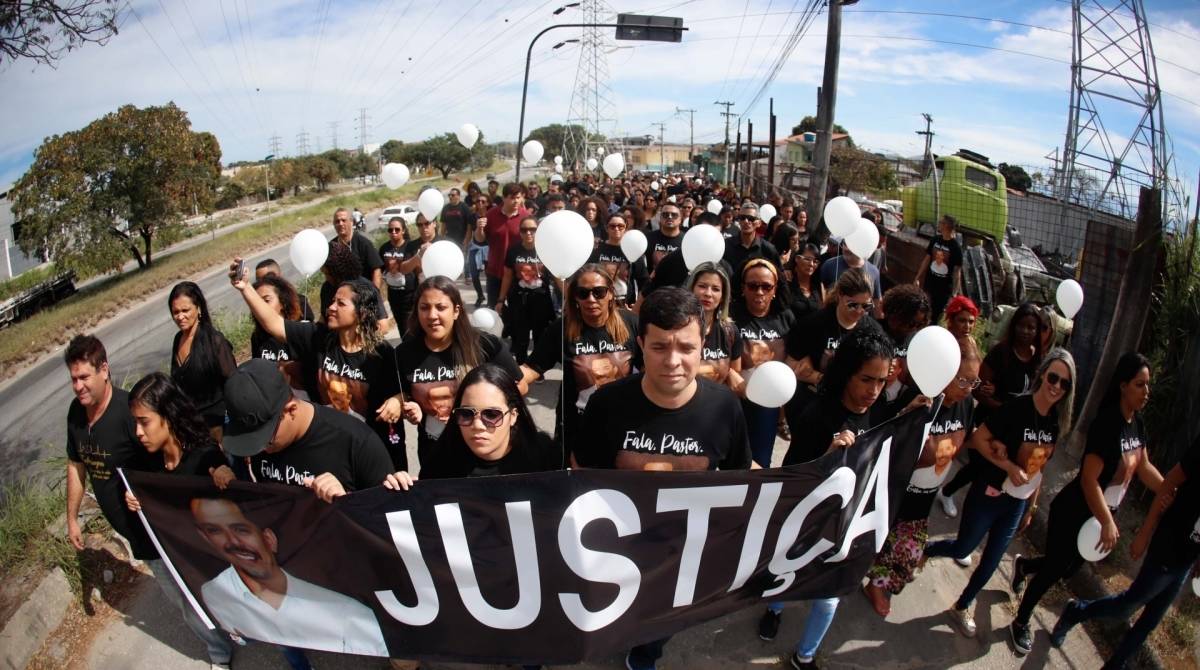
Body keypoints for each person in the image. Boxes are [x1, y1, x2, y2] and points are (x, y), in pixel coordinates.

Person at [575, 287, 752, 670]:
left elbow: (743, 477)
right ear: (640, 343)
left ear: (703, 344)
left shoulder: (725, 408)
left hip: (683, 557)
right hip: (615, 549)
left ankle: (646, 653)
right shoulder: (606, 405)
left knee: (659, 625)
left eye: (686, 348)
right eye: (659, 348)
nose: (673, 361)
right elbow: (582, 473)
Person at [760, 326, 897, 669]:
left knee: (828, 602)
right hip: (805, 523)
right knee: (786, 575)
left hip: (844, 528)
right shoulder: (816, 414)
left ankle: (805, 656)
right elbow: (795, 476)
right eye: (867, 379)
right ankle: (774, 610)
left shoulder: (878, 412)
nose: (874, 391)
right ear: (847, 371)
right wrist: (828, 455)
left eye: (882, 381)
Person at [1010, 353, 1164, 655]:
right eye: (1140, 384)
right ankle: (1021, 620)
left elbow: (1143, 465)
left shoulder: (1137, 424)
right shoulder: (1107, 424)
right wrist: (1107, 521)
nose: (1146, 392)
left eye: (1148, 385)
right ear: (1123, 386)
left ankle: (1026, 565)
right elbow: (1089, 480)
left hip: (1100, 518)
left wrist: (1168, 490)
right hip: (1076, 511)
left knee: (1067, 569)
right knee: (1054, 570)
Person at [925, 349, 1077, 639]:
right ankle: (926, 552)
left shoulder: (1055, 423)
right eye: (1054, 377)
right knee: (963, 548)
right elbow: (979, 439)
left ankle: (962, 605)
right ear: (1043, 374)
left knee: (992, 562)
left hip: (1016, 503)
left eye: (1065, 383)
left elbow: (1039, 468)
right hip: (989, 493)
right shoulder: (1017, 408)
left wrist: (1031, 507)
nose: (1056, 386)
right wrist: (1008, 465)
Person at [1049, 430, 1200, 669]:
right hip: (1169, 545)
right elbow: (1169, 483)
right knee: (1126, 606)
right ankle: (1075, 611)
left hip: (1186, 559)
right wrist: (1145, 531)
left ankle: (1115, 665)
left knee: (1149, 622)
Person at [234, 264, 406, 469]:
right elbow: (274, 324)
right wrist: (245, 288)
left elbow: (405, 390)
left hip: (370, 448)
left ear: (361, 313)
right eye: (333, 301)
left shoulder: (382, 354)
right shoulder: (318, 337)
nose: (331, 307)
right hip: (329, 447)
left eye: (340, 303)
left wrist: (398, 400)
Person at [120, 372, 238, 668]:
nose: (138, 432)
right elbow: (136, 494)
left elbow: (232, 499)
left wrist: (226, 476)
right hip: (168, 555)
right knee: (187, 606)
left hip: (207, 557)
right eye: (135, 422)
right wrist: (132, 499)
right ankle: (219, 651)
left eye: (144, 421)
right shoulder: (145, 462)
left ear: (168, 417)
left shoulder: (204, 457)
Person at [863, 337, 980, 616]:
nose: (967, 390)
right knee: (877, 539)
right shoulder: (920, 400)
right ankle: (867, 579)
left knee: (906, 552)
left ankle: (877, 584)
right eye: (962, 381)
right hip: (896, 490)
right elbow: (889, 439)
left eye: (973, 383)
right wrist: (907, 415)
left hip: (924, 498)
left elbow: (969, 436)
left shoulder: (965, 405)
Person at [189, 493, 389, 656]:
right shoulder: (213, 592)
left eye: (241, 530)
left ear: (269, 539)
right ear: (205, 538)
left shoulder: (346, 612)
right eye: (215, 531)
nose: (232, 541)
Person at [938, 302, 1048, 519]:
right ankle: (946, 492)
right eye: (1022, 326)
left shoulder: (1037, 359)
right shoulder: (1001, 352)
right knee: (978, 463)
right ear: (1014, 326)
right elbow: (978, 389)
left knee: (988, 468)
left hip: (1014, 429)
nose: (1026, 332)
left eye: (1031, 328)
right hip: (991, 420)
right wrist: (1002, 406)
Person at [397, 276, 521, 469]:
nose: (432, 315)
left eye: (440, 307)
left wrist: (488, 409)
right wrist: (406, 405)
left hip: (480, 454)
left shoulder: (484, 345)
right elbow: (404, 394)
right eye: (424, 307)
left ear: (456, 311)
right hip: (433, 455)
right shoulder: (404, 353)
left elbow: (520, 385)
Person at [63, 335, 156, 570]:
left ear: (104, 370)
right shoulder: (76, 413)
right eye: (73, 379)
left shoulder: (129, 412)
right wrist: (72, 519)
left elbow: (163, 463)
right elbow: (76, 465)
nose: (78, 386)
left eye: (84, 377)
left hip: (155, 526)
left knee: (185, 591)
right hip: (130, 531)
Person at [385, 364, 560, 483]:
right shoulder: (441, 462)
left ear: (513, 416)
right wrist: (403, 491)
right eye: (466, 414)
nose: (477, 425)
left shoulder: (544, 456)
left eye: (491, 414)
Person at [784, 268, 880, 438]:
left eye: (866, 306)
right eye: (853, 305)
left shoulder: (871, 329)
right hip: (812, 405)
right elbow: (791, 365)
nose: (859, 311)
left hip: (849, 410)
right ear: (840, 295)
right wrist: (818, 378)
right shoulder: (814, 324)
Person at [561, 264, 639, 462]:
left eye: (599, 292)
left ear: (611, 294)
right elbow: (532, 368)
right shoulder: (562, 328)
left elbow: (651, 370)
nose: (591, 299)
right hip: (579, 426)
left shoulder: (632, 323)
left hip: (626, 425)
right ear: (575, 298)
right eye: (583, 293)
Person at [733, 259, 796, 466]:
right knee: (732, 459)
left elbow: (793, 361)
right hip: (736, 400)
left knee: (760, 462)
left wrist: (783, 412)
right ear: (743, 288)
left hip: (767, 404)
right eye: (753, 286)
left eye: (766, 287)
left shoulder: (786, 318)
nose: (759, 292)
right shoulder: (731, 316)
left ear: (775, 290)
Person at [168, 281, 236, 440]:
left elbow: (233, 382)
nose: (180, 317)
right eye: (175, 312)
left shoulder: (214, 340)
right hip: (194, 428)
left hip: (220, 427)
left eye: (185, 310)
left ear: (198, 309)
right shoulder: (178, 339)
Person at [497, 216, 555, 364]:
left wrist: (568, 296)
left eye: (532, 230)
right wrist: (500, 300)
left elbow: (557, 276)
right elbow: (507, 277)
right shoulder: (513, 251)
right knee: (520, 336)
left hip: (541, 300)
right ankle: (521, 365)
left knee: (540, 335)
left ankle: (536, 367)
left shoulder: (546, 250)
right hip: (519, 299)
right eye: (524, 230)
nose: (528, 233)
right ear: (520, 232)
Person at [251, 274, 311, 400]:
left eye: (267, 301)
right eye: (257, 303)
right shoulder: (257, 337)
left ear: (283, 302)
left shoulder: (299, 332)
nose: (261, 308)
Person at [688, 262, 744, 392]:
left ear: (723, 296)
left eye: (716, 289)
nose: (708, 293)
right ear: (691, 289)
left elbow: (734, 377)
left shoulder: (730, 331)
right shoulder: (676, 328)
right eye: (702, 286)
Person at [478, 183, 529, 308]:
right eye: (512, 198)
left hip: (518, 272)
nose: (516, 201)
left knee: (516, 310)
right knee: (494, 309)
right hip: (495, 270)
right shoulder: (491, 214)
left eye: (518, 197)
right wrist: (479, 229)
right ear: (504, 198)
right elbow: (480, 239)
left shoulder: (526, 217)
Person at [589, 213, 649, 307]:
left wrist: (638, 304)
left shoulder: (633, 250)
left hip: (625, 303)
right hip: (600, 301)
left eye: (620, 226)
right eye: (612, 226)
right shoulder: (597, 250)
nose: (616, 229)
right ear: (606, 228)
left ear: (626, 228)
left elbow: (644, 281)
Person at [914, 214, 963, 324]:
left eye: (941, 222)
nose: (939, 224)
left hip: (943, 289)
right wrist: (918, 277)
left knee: (935, 316)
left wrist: (954, 294)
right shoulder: (935, 240)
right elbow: (927, 259)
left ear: (946, 226)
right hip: (930, 283)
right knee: (922, 310)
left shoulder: (956, 248)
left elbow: (957, 272)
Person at [724, 204, 782, 286]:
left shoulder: (768, 249)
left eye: (751, 218)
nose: (746, 221)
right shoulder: (726, 245)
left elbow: (778, 278)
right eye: (742, 218)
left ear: (759, 223)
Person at [332, 207, 384, 294]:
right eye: (337, 221)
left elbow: (376, 270)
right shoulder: (331, 246)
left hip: (364, 293)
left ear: (351, 222)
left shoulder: (363, 243)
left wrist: (375, 295)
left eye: (343, 220)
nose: (340, 224)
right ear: (334, 224)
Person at [818, 238, 883, 306]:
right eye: (845, 244)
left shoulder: (874, 271)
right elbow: (818, 294)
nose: (846, 249)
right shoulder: (829, 265)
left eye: (852, 245)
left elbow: (877, 303)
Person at [378, 216, 417, 328]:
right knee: (401, 325)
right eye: (390, 230)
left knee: (410, 326)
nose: (393, 232)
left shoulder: (411, 246)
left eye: (397, 229)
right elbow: (379, 271)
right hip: (393, 295)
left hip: (410, 295)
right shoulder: (384, 248)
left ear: (403, 230)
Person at [786, 242, 825, 319]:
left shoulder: (819, 286)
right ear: (797, 259)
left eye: (815, 261)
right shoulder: (787, 280)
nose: (811, 264)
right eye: (808, 259)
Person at [466, 193, 491, 307]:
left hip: (489, 249)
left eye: (483, 201)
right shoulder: (472, 217)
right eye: (477, 201)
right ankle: (480, 295)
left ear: (487, 203)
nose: (480, 203)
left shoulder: (491, 216)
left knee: (489, 275)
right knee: (474, 275)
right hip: (475, 248)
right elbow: (468, 232)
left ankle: (491, 297)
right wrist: (465, 245)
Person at [645, 201, 684, 272]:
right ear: (660, 218)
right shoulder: (647, 238)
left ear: (680, 219)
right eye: (665, 214)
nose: (669, 217)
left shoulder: (686, 240)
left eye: (674, 215)